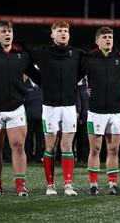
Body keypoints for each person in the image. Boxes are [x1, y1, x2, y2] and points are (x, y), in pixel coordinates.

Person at [0, 20, 40, 197]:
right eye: (3, 31)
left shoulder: (22, 55)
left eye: (9, 30)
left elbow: (39, 76)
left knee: (18, 146)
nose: (7, 34)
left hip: (16, 108)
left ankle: (20, 184)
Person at [29, 21, 86, 196]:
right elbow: (24, 61)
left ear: (69, 35)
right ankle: (50, 185)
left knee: (67, 146)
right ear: (52, 35)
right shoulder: (42, 52)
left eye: (66, 31)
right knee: (51, 146)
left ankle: (68, 185)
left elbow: (88, 67)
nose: (63, 33)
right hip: (50, 107)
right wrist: (43, 81)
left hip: (69, 106)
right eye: (59, 31)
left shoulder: (77, 54)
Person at [82, 27, 120, 195]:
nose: (108, 39)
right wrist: (85, 88)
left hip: (115, 111)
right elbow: (77, 75)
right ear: (97, 41)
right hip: (96, 111)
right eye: (105, 37)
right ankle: (93, 185)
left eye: (110, 37)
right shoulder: (89, 58)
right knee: (95, 149)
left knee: (113, 149)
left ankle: (112, 185)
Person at [23, 73, 44, 164]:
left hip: (40, 116)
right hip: (29, 116)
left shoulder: (41, 85)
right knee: (28, 138)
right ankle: (28, 156)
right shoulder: (25, 86)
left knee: (40, 139)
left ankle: (38, 156)